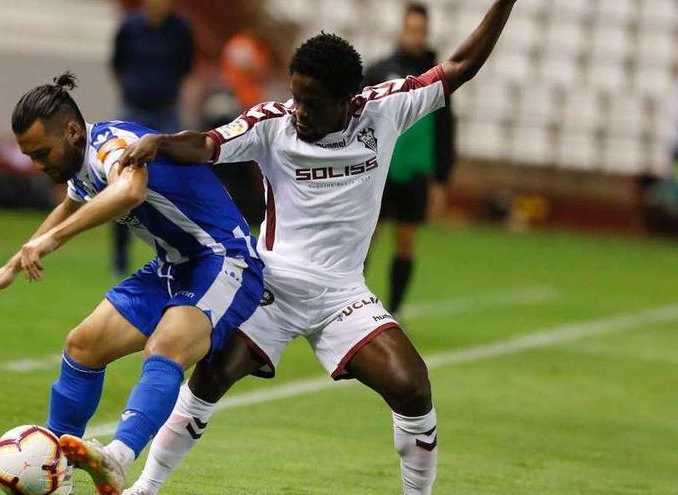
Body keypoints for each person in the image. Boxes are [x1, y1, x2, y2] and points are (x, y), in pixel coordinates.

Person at [118, 2, 517, 494]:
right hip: (270, 285)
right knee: (211, 377)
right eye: (295, 95)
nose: (298, 110)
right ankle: (145, 487)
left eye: (311, 102)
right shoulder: (272, 125)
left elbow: (459, 67)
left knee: (412, 387)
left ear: (348, 101)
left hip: (341, 294)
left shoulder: (385, 108)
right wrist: (159, 143)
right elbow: (205, 143)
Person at [0, 73, 264, 495]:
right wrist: (11, 266)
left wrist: (53, 240)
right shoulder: (82, 160)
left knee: (165, 347)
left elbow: (130, 191)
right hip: (174, 264)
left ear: (72, 131)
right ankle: (55, 466)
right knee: (83, 345)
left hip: (224, 259)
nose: (37, 166)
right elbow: (70, 204)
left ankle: (118, 459)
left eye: (41, 152)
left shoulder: (112, 144)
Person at [363, 2, 456, 315]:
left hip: (415, 172)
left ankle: (395, 309)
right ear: (402, 29)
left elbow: (445, 130)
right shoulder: (378, 71)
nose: (415, 35)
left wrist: (441, 180)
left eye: (420, 31)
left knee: (405, 240)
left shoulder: (438, 77)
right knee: (365, 238)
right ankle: (350, 305)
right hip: (379, 170)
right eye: (410, 29)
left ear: (426, 33)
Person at [110, 0, 195, 277]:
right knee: (119, 180)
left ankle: (182, 252)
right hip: (133, 111)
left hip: (165, 115)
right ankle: (120, 255)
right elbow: (116, 64)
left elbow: (185, 67)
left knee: (178, 181)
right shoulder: (130, 27)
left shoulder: (181, 29)